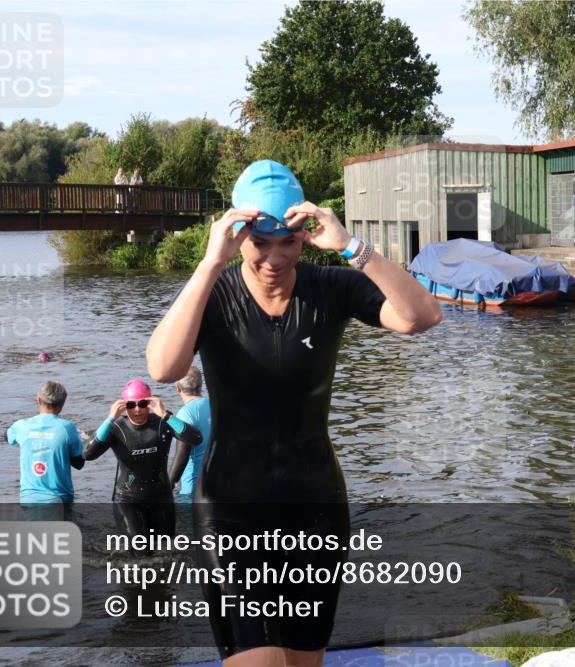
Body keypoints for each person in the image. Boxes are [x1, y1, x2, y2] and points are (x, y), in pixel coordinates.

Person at [146, 160, 442, 666]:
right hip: (231, 510)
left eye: (288, 241)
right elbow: (163, 366)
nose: (275, 257)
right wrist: (209, 264)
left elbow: (422, 316)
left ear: (305, 234)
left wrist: (351, 247)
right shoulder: (213, 295)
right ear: (239, 235)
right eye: (261, 243)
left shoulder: (330, 288)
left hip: (315, 506)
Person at [83, 378, 201, 551]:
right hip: (128, 499)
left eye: (143, 403)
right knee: (140, 551)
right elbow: (88, 454)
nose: (137, 409)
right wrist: (109, 419)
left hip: (161, 498)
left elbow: (196, 438)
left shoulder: (162, 423)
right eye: (131, 405)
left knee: (167, 551)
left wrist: (166, 415)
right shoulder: (116, 428)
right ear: (124, 406)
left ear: (150, 403)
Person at [6, 381, 84, 504]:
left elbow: (7, 437)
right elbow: (79, 464)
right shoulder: (68, 428)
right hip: (60, 498)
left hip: (28, 498)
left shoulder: (21, 426)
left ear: (38, 400)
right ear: (63, 403)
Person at [166, 366, 211, 502]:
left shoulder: (186, 414)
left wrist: (167, 487)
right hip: (215, 482)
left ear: (178, 387)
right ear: (201, 385)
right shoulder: (213, 405)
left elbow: (182, 455)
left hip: (193, 487)